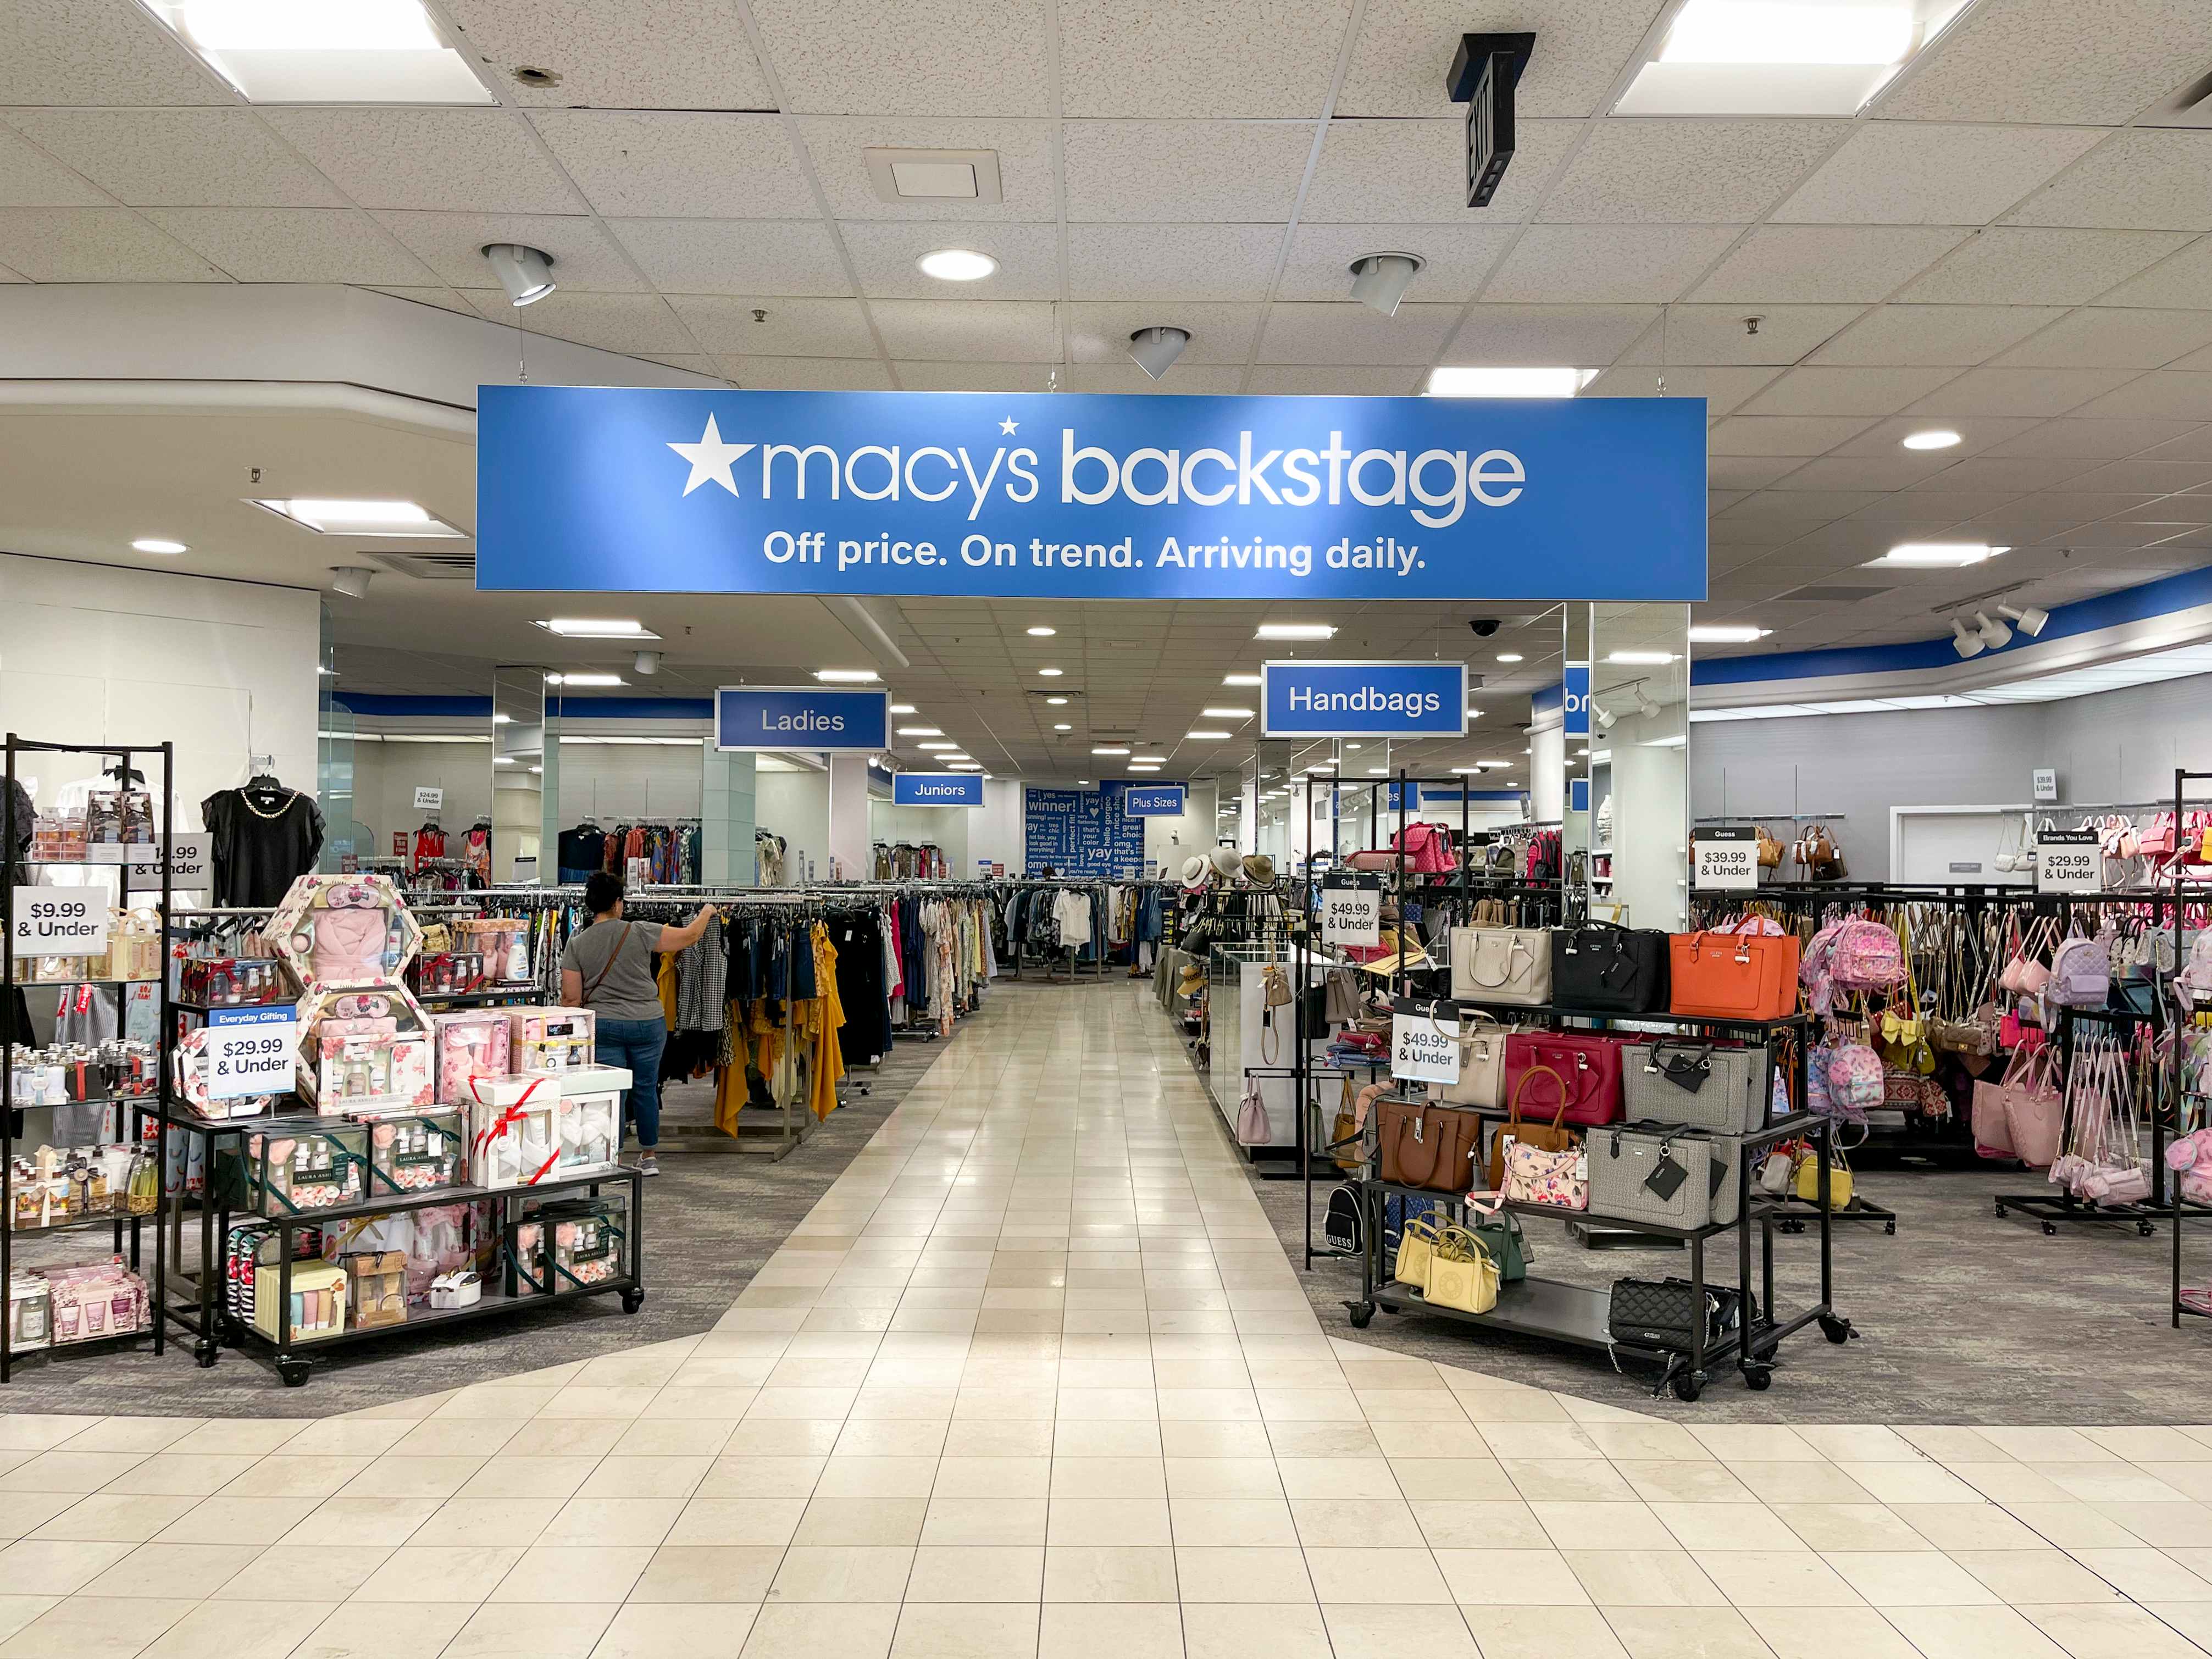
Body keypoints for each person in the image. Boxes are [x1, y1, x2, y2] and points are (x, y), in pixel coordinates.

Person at [558, 873, 715, 1176]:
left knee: (612, 1093)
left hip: (604, 1026)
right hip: (647, 1022)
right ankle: (649, 1156)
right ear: (618, 903)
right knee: (646, 1087)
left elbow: (570, 997)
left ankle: (612, 1160)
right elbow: (689, 937)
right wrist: (707, 912)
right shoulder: (640, 931)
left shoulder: (576, 945)